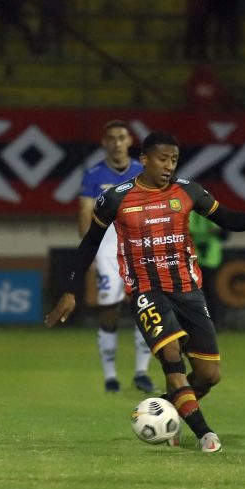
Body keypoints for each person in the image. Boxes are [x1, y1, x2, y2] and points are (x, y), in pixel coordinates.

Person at [46, 131, 245, 453]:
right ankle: (205, 434)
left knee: (209, 374)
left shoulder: (188, 191)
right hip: (146, 290)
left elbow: (226, 218)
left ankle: (166, 409)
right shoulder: (116, 198)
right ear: (145, 160)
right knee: (171, 356)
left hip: (188, 290)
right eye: (163, 159)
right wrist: (70, 290)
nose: (169, 166)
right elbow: (90, 242)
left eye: (174, 160)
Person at [78, 120, 156, 394]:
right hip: (108, 250)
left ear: (130, 140)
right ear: (104, 142)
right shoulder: (93, 175)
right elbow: (86, 215)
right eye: (111, 138)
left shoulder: (144, 172)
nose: (116, 142)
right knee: (109, 311)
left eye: (121, 137)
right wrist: (88, 253)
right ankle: (111, 376)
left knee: (145, 309)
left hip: (141, 249)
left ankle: (141, 372)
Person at [189, 210, 227, 328]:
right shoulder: (206, 210)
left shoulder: (205, 211)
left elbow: (224, 234)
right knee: (202, 292)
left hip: (207, 258)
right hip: (196, 258)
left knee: (208, 291)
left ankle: (213, 322)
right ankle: (208, 323)